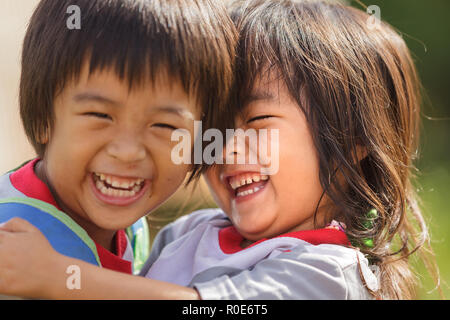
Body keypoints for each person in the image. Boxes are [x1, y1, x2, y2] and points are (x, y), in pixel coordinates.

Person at [0, 0, 441, 300]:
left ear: (351, 137)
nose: (225, 148)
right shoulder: (186, 233)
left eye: (256, 122)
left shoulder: (329, 274)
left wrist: (60, 279)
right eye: (215, 126)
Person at [0, 0, 236, 275]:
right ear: (44, 118)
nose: (128, 152)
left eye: (164, 125)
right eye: (100, 116)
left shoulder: (131, 226)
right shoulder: (14, 245)